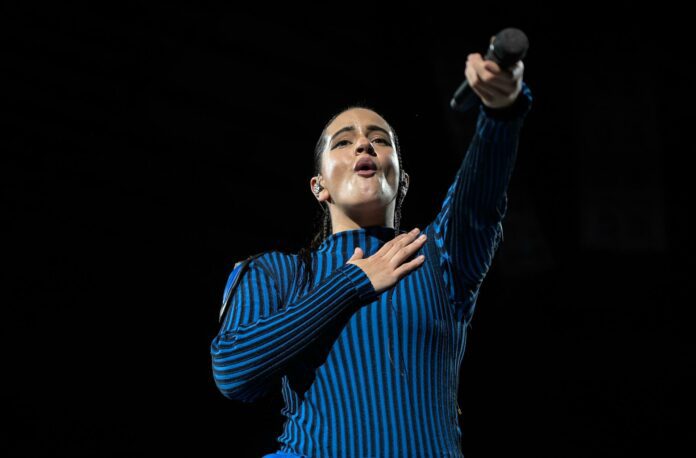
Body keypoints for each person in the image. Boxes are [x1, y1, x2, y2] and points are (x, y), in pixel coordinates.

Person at [211, 53, 532, 458]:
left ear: (403, 181)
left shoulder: (437, 257)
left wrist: (500, 113)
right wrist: (353, 282)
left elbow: (478, 198)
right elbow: (233, 371)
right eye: (343, 142)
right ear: (318, 186)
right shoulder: (277, 272)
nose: (364, 143)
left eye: (380, 140)